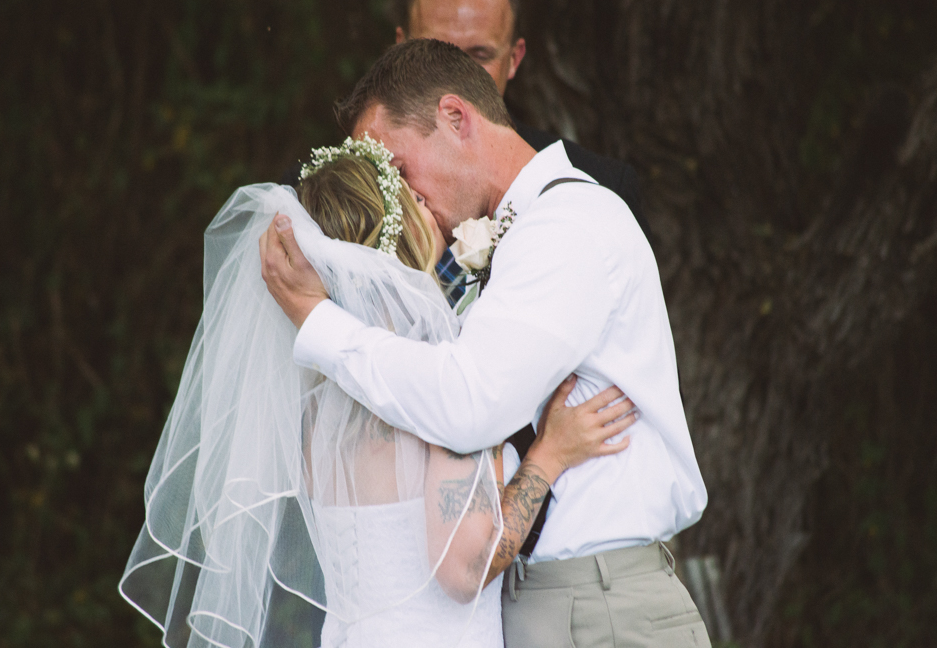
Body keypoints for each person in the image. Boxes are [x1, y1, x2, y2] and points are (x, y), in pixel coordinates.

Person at [259, 39, 710, 648]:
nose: (400, 196)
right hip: (533, 602)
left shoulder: (566, 227)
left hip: (597, 606)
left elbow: (469, 405)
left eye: (395, 165)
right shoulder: (511, 236)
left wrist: (317, 322)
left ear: (454, 117)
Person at [120, 135, 637, 648]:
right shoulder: (432, 381)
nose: (430, 207)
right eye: (413, 200)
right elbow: (465, 570)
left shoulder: (319, 400)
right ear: (396, 232)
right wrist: (549, 457)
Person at [395, 0, 652, 302]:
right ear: (399, 49)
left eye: (479, 55)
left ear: (514, 58)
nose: (455, 78)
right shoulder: (365, 183)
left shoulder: (603, 184)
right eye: (433, 52)